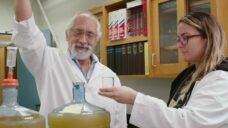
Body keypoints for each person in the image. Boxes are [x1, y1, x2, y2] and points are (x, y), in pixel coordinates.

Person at [99, 11, 228, 128]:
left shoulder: (221, 80)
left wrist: (134, 98)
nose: (178, 44)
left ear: (208, 38)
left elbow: (187, 123)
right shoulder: (187, 76)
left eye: (186, 37)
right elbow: (172, 115)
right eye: (178, 39)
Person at [12, 0, 127, 128]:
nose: (83, 40)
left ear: (96, 40)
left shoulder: (111, 77)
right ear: (67, 35)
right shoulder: (47, 59)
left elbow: (119, 123)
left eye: (90, 35)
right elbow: (27, 33)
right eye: (77, 32)